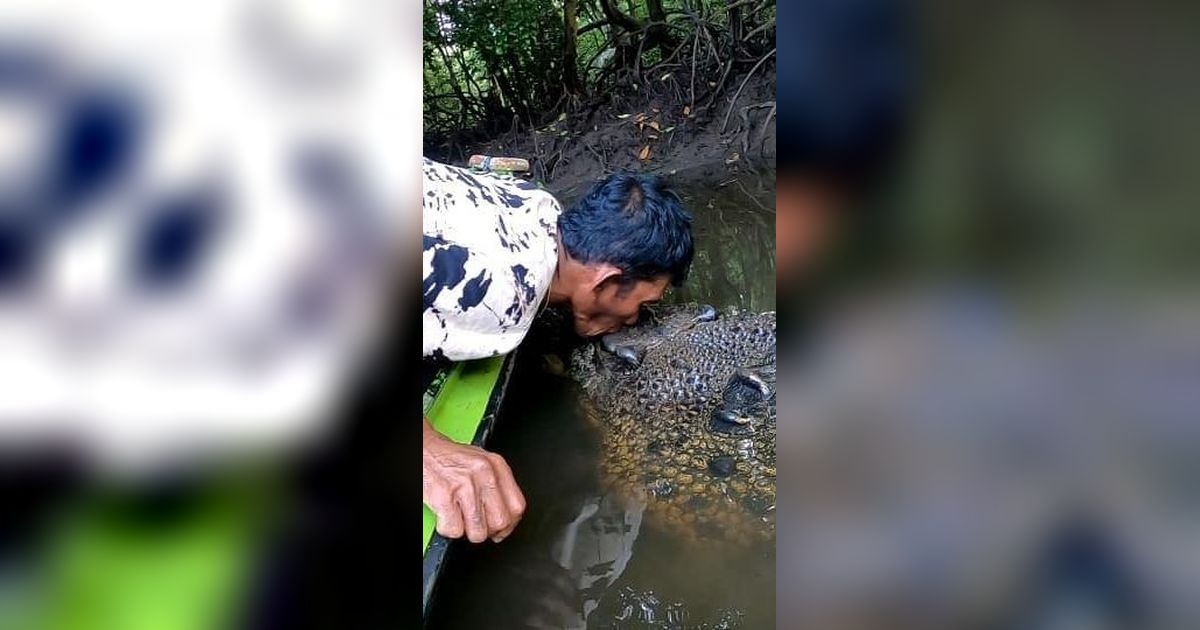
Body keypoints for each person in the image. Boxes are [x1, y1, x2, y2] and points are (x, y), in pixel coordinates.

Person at [421, 157, 694, 544]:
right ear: (607, 281)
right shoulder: (506, 300)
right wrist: (429, 453)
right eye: (643, 304)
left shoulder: (538, 203)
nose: (635, 320)